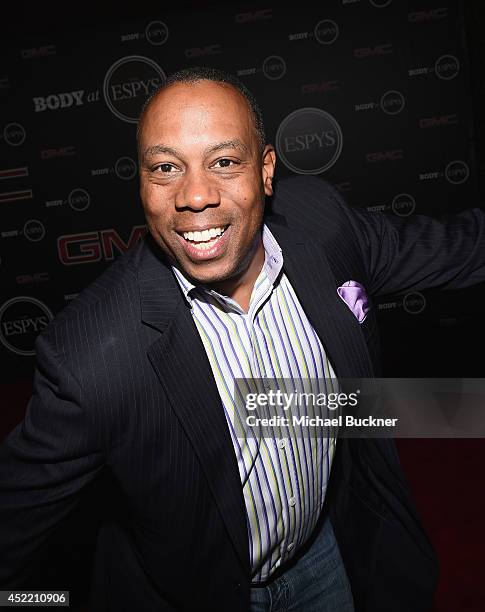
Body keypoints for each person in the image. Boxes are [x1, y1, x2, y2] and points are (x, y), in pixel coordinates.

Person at [1, 66, 484, 612]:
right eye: (166, 168)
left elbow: (457, 248)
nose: (196, 196)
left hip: (325, 556)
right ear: (141, 182)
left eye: (225, 162)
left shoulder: (321, 225)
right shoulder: (93, 357)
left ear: (267, 171)